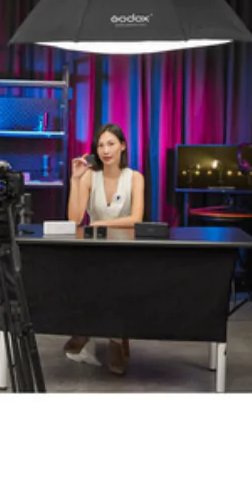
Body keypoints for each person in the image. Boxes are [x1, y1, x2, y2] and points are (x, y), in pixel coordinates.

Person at [64, 122, 145, 375]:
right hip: (95, 248)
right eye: (100, 145)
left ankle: (112, 338)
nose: (106, 150)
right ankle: (96, 334)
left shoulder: (135, 178)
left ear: (123, 146)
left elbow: (136, 219)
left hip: (124, 249)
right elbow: (74, 219)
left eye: (111, 144)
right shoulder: (90, 176)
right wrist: (75, 179)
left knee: (116, 279)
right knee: (87, 276)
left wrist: (101, 223)